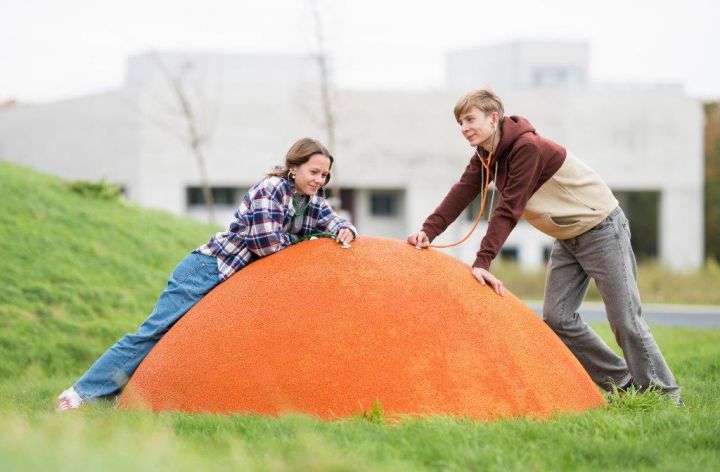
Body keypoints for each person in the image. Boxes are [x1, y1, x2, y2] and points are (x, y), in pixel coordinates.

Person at [407, 88, 681, 401]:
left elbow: (509, 208)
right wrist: (428, 231)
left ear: (493, 119)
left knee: (625, 319)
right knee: (557, 318)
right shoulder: (486, 155)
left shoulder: (527, 148)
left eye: (470, 119)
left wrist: (482, 262)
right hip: (567, 236)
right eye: (460, 122)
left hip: (601, 228)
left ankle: (666, 396)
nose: (464, 128)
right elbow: (461, 193)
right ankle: (625, 384)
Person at [56, 137, 357, 410]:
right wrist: (304, 241)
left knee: (185, 344)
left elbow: (334, 221)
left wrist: (345, 229)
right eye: (313, 172)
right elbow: (266, 243)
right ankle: (78, 394)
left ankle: (116, 398)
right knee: (154, 333)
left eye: (324, 175)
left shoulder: (312, 200)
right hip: (207, 270)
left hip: (233, 280)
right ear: (294, 167)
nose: (319, 180)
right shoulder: (272, 189)